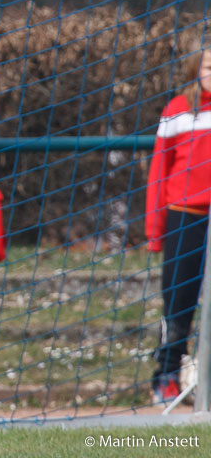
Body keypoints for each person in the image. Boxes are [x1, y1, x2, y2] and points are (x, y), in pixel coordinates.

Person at [145, 38, 211, 405]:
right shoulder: (178, 109)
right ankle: (167, 376)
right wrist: (155, 231)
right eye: (209, 68)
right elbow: (160, 170)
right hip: (186, 217)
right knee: (178, 300)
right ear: (196, 70)